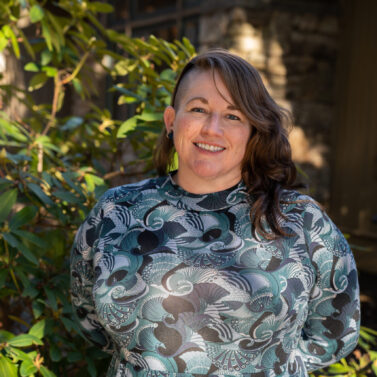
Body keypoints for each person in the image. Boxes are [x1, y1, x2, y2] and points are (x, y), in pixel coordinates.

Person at [70, 49, 360, 377]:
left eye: (233, 116)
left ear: (252, 131)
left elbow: (336, 332)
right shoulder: (115, 212)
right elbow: (91, 321)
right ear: (171, 121)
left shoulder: (301, 221)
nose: (212, 128)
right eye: (198, 109)